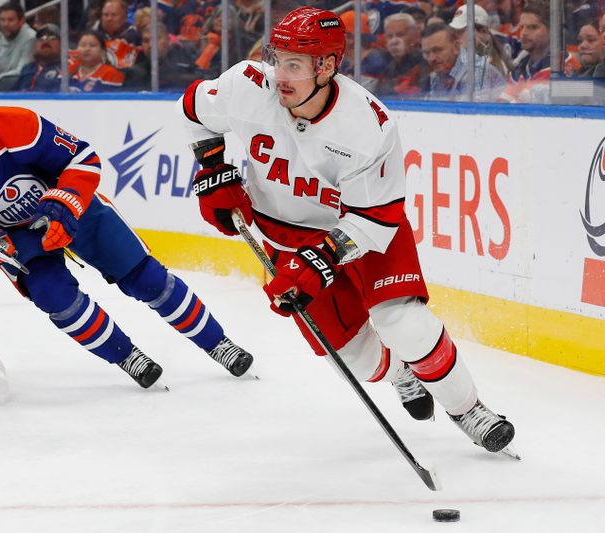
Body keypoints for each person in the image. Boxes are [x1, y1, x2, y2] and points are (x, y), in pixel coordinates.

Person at [177, 6, 515, 453]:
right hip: (283, 235)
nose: (280, 74)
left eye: (294, 65)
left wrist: (321, 258)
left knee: (402, 323)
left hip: (363, 228)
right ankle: (400, 374)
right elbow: (192, 109)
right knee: (352, 357)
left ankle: (468, 409)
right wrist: (213, 170)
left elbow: (375, 220)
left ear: (327, 66)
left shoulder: (367, 125)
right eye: (277, 59)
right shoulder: (246, 85)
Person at [0, 73, 254, 389]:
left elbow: (83, 157)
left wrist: (65, 202)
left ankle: (218, 343)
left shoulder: (21, 125)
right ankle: (128, 357)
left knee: (146, 277)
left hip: (72, 208)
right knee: (55, 297)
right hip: (17, 239)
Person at [421, 22, 506, 101]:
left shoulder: (476, 71)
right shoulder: (437, 76)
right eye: (426, 53)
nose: (431, 58)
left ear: (456, 47)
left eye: (437, 50)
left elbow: (472, 112)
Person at [0, 1, 36, 88]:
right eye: (2, 20)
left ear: (22, 21)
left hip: (20, 89)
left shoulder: (31, 38)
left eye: (10, 20)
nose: (5, 24)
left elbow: (21, 72)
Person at [12, 23, 62, 92]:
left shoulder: (66, 69)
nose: (46, 41)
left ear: (61, 44)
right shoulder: (27, 68)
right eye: (42, 38)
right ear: (35, 44)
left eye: (52, 37)